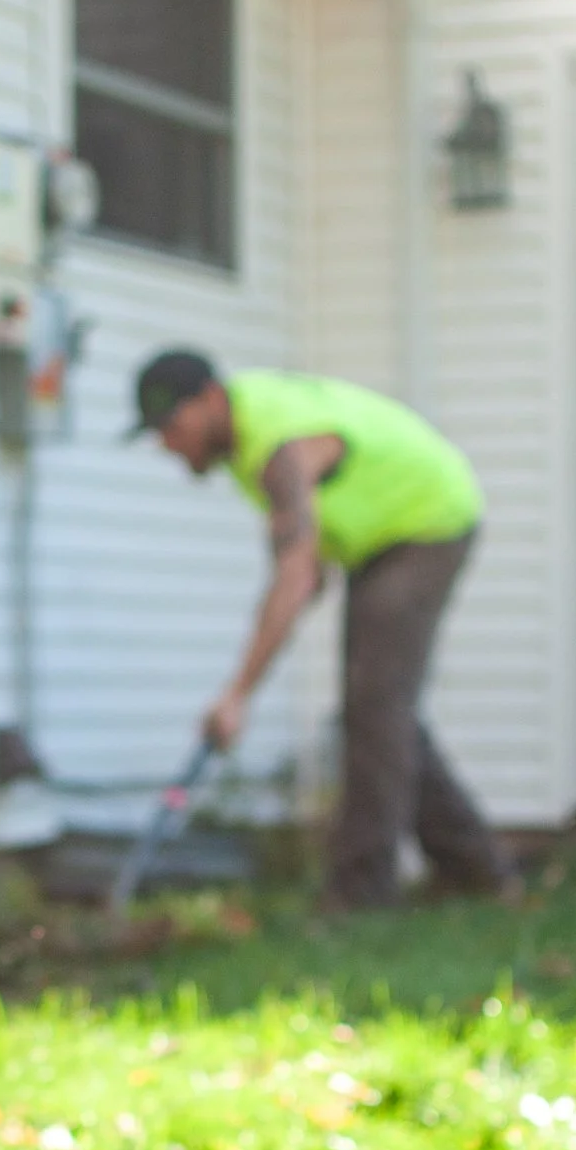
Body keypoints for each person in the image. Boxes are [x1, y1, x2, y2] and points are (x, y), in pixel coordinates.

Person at [133, 349, 512, 910]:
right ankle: (476, 872)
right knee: (379, 709)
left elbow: (296, 573)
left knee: (375, 707)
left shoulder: (276, 442)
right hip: (380, 540)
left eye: (172, 425)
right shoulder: (245, 447)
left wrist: (237, 696)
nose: (167, 444)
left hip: (428, 519)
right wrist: (244, 685)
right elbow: (305, 577)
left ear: (211, 399)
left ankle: (361, 893)